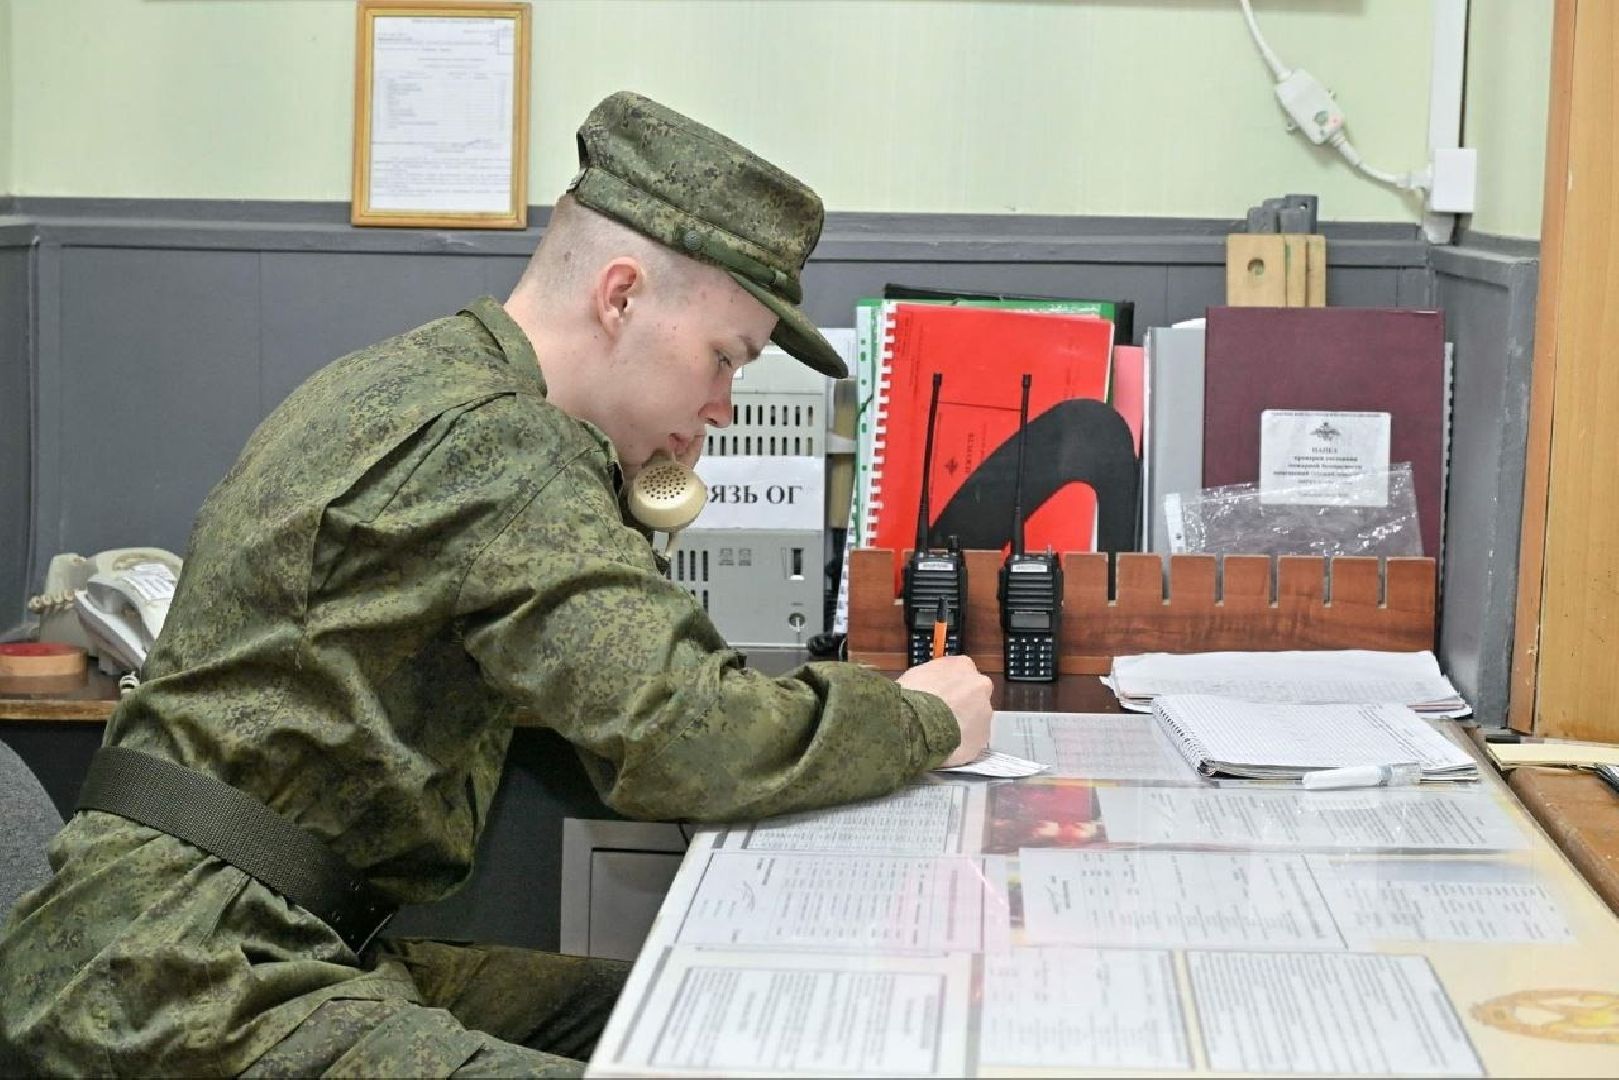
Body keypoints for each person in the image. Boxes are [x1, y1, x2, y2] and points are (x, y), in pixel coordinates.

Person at [0, 91, 992, 1077]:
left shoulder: (401, 381)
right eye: (721, 360)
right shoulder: (507, 446)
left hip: (188, 937)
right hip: (180, 978)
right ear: (619, 297)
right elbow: (682, 735)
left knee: (688, 1014)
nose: (722, 408)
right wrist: (917, 719)